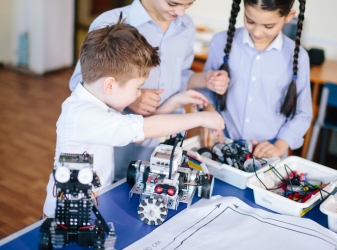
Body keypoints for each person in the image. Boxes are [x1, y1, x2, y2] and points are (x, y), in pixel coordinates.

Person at [43, 17, 225, 216]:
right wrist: (200, 119)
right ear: (110, 85)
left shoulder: (99, 104)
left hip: (94, 204)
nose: (139, 94)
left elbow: (138, 134)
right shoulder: (82, 116)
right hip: (66, 215)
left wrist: (174, 102)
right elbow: (144, 129)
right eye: (137, 88)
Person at [69, 0, 230, 182]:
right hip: (123, 150)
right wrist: (132, 98)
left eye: (188, 5)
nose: (181, 12)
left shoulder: (186, 26)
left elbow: (180, 76)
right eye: (172, 3)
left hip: (168, 140)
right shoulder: (111, 24)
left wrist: (204, 79)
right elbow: (81, 84)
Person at [199, 0, 312, 159]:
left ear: (288, 16)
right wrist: (208, 111)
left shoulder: (299, 57)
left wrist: (279, 146)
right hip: (221, 146)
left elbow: (303, 113)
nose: (257, 32)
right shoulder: (220, 41)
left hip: (268, 156)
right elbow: (206, 89)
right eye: (250, 21)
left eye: (268, 26)